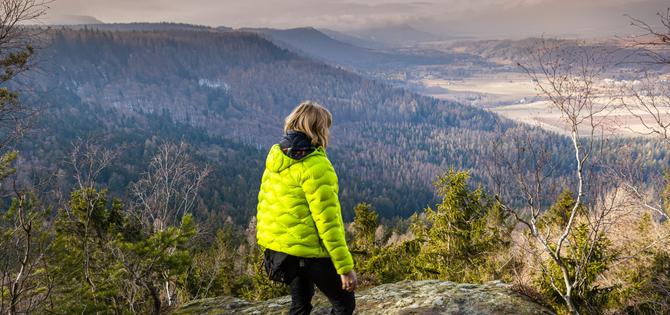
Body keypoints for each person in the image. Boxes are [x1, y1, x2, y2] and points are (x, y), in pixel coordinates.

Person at [256, 100, 357, 315]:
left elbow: (267, 205)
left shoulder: (275, 155)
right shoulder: (316, 165)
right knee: (344, 304)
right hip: (309, 254)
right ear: (319, 130)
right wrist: (345, 268)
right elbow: (328, 223)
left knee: (300, 307)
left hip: (282, 253)